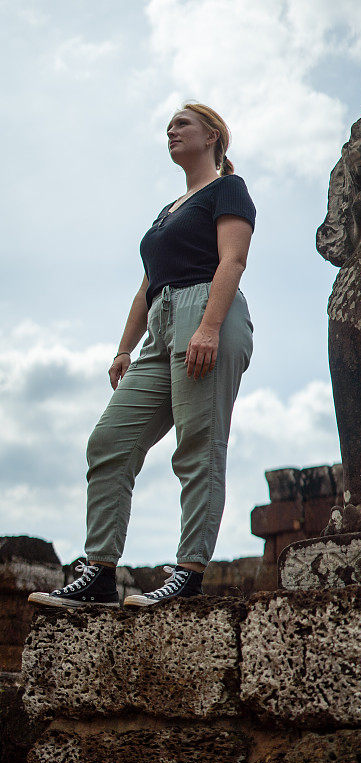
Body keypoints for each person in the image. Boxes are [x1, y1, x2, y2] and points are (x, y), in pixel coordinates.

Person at [28, 102, 256, 609]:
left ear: (213, 136)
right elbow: (147, 286)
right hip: (161, 326)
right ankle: (100, 573)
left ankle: (189, 573)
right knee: (108, 442)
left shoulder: (227, 190)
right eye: (168, 126)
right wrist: (124, 349)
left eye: (182, 124)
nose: (170, 131)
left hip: (207, 311)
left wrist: (210, 327)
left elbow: (233, 259)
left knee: (199, 444)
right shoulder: (168, 211)